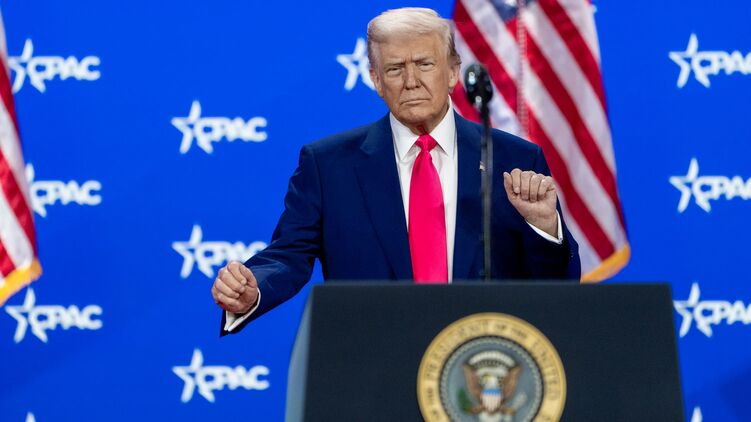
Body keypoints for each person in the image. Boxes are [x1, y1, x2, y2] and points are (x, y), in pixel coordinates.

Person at [211, 7, 580, 335]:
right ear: (376, 80)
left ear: (453, 72)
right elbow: (288, 255)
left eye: (424, 64)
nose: (411, 81)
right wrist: (253, 288)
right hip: (373, 367)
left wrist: (545, 228)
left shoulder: (514, 158)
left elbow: (556, 286)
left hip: (479, 365)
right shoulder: (328, 165)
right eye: (394, 69)